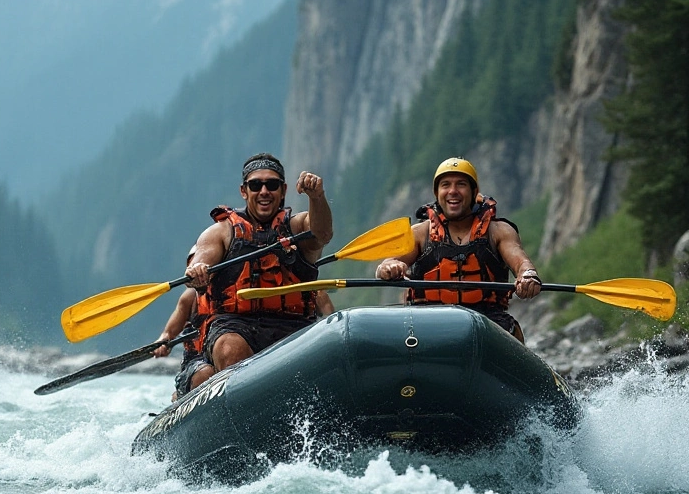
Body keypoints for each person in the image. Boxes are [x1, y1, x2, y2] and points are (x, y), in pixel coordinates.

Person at [185, 152, 334, 372]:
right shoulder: (221, 232)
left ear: (283, 190)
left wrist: (317, 197)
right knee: (230, 349)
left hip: (294, 326)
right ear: (244, 191)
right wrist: (198, 270)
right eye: (255, 185)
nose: (264, 192)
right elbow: (201, 260)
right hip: (234, 324)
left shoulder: (298, 226)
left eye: (272, 185)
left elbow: (322, 234)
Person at [373, 157, 541, 342]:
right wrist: (388, 268)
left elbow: (522, 262)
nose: (453, 191)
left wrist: (527, 275)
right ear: (437, 193)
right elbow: (388, 264)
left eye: (461, 184)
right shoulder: (419, 234)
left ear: (474, 191)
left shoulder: (499, 231)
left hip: (489, 323)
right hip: (428, 323)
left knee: (509, 331)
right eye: (445, 185)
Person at [155, 250, 215, 400]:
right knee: (206, 373)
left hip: (221, 355)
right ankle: (181, 395)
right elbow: (168, 334)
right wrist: (163, 343)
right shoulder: (189, 298)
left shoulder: (235, 290)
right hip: (197, 361)